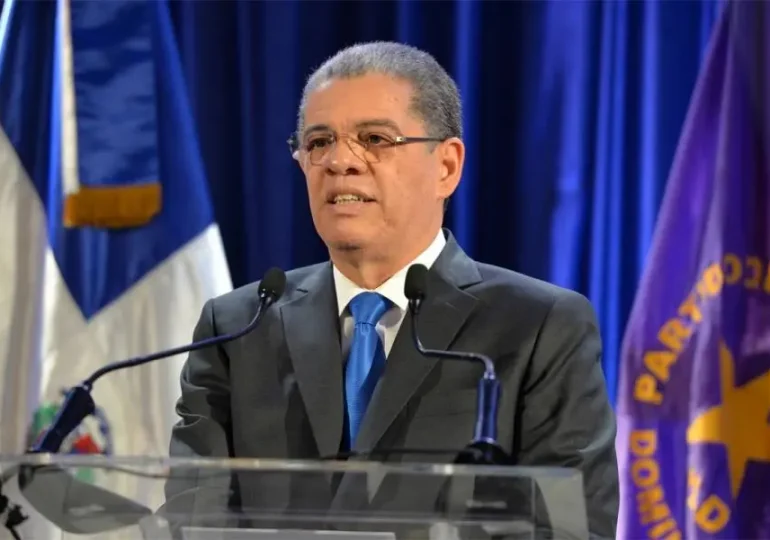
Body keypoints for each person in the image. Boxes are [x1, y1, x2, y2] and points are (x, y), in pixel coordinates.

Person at [168, 41, 618, 538]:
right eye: (319, 142)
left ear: (446, 166)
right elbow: (192, 521)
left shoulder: (539, 326)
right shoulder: (237, 327)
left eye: (374, 139)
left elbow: (569, 528)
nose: (340, 161)